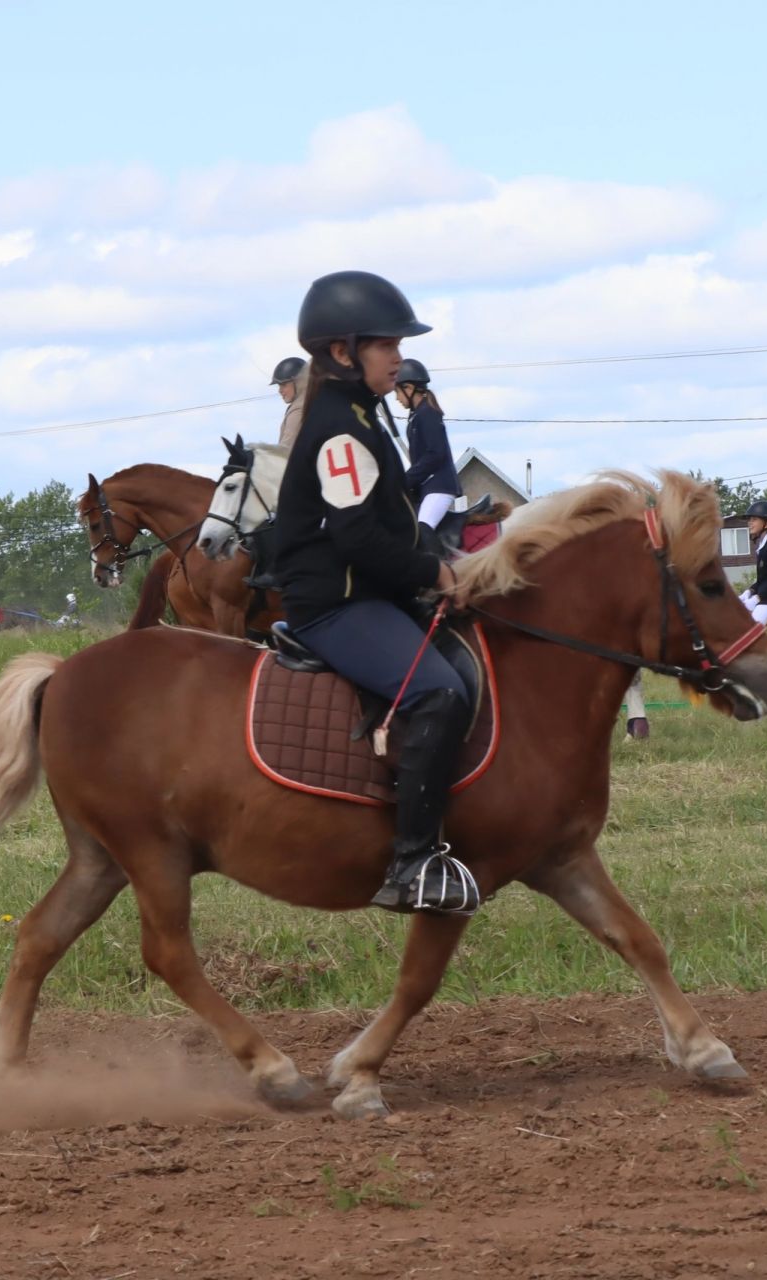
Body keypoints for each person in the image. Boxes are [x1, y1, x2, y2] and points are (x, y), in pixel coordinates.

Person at [270, 270, 476, 916]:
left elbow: (390, 519)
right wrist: (431, 574)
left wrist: (437, 558)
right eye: (385, 345)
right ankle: (412, 862)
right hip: (335, 603)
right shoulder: (339, 428)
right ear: (342, 352)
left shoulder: (366, 414)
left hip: (369, 588)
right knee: (438, 691)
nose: (397, 356)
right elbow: (358, 540)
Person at [394, 358, 461, 530]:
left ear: (409, 388)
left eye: (398, 392)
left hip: (439, 486)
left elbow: (435, 454)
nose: (396, 398)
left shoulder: (428, 413)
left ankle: (437, 558)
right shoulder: (416, 416)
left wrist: (406, 479)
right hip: (427, 486)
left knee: (423, 528)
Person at [272, 356, 307, 449]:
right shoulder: (317, 400)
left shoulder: (298, 408)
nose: (280, 390)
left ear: (299, 382)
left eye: (284, 385)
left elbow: (285, 450)